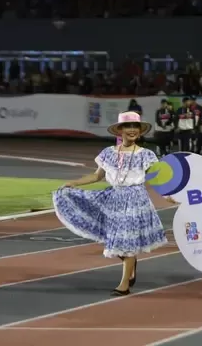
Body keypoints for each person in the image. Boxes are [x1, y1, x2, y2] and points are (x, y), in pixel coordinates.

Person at [53, 111, 167, 296]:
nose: (132, 130)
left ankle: (124, 284)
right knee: (115, 240)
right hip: (113, 198)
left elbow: (157, 179)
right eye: (128, 127)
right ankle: (130, 263)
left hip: (135, 200)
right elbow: (97, 175)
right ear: (120, 130)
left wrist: (168, 196)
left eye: (135, 127)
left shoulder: (146, 155)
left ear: (140, 131)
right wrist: (74, 182)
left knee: (127, 239)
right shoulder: (108, 153)